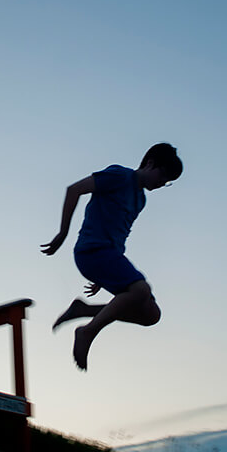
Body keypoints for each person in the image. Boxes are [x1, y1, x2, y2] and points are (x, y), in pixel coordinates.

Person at [40, 143, 183, 370]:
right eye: (162, 175)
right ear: (150, 163)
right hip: (91, 251)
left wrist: (103, 278)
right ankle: (87, 332)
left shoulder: (140, 200)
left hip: (110, 256)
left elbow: (119, 234)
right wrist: (63, 232)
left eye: (167, 183)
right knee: (141, 290)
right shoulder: (119, 176)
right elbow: (74, 189)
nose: (161, 183)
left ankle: (83, 310)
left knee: (150, 314)